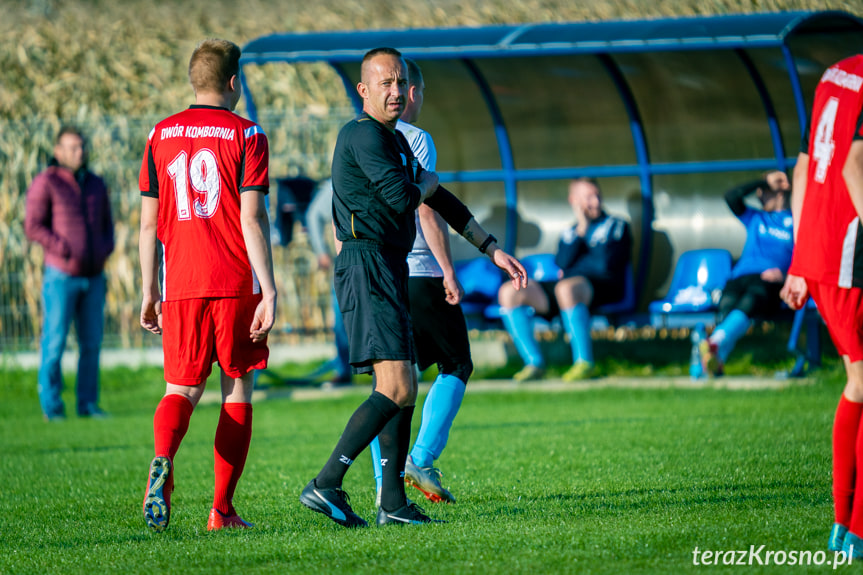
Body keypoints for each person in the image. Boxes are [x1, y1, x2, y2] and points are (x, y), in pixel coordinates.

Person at [299, 47, 526, 528]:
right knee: (399, 385)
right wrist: (426, 183)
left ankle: (392, 504)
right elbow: (406, 197)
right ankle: (326, 483)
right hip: (367, 265)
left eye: (401, 82)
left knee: (401, 387)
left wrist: (490, 248)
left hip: (390, 266)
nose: (396, 91)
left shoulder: (396, 141)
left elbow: (439, 198)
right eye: (385, 83)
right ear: (363, 90)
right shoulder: (363, 136)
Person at [137, 38, 277, 533]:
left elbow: (147, 224)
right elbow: (253, 218)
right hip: (233, 280)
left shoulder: (160, 134)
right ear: (234, 82)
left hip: (180, 283)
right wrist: (271, 289)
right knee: (236, 389)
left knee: (181, 387)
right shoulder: (248, 135)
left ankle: (162, 458)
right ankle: (221, 509)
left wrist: (149, 290)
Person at [367, 58, 470, 505]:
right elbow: (426, 207)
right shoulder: (415, 138)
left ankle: (381, 488)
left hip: (377, 274)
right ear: (412, 94)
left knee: (387, 384)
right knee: (456, 363)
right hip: (419, 271)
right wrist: (447, 269)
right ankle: (421, 457)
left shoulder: (357, 138)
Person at [780, 54, 863, 558]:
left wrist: (798, 257)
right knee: (861, 382)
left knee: (859, 382)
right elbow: (855, 162)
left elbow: (805, 165)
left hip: (820, 247)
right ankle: (854, 526)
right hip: (849, 248)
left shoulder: (836, 73)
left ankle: (845, 524)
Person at [498, 178, 632, 382]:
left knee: (566, 288)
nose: (595, 202)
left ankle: (584, 363)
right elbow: (562, 262)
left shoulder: (616, 225)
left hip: (603, 286)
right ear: (573, 201)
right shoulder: (571, 231)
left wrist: (573, 267)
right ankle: (534, 364)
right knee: (509, 292)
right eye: (588, 198)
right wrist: (582, 230)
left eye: (597, 196)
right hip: (567, 287)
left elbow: (605, 264)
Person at [25, 126, 114, 421]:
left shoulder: (96, 184)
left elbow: (107, 227)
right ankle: (52, 407)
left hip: (94, 277)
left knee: (91, 344)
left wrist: (103, 249)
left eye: (82, 146)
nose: (80, 152)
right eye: (73, 147)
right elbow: (33, 225)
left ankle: (88, 405)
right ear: (58, 151)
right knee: (55, 341)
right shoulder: (47, 182)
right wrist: (62, 248)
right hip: (61, 277)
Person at [692, 170, 794, 378]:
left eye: (764, 192)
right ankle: (714, 356)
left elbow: (810, 254)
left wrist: (785, 275)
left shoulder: (797, 221)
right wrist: (763, 181)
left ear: (780, 192)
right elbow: (731, 196)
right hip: (740, 276)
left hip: (771, 280)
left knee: (752, 299)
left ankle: (711, 347)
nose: (759, 196)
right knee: (727, 305)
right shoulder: (756, 217)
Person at [305, 179, 352, 386]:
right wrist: (322, 251)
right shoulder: (336, 183)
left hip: (369, 260)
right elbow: (313, 215)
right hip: (346, 263)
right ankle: (344, 370)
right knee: (342, 318)